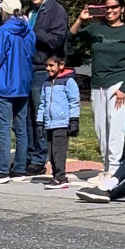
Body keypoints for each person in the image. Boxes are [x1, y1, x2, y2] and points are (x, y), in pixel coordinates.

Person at [69, 0, 125, 181]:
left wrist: (124, 88)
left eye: (114, 7)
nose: (110, 11)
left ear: (122, 9)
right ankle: (105, 167)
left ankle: (114, 169)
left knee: (115, 127)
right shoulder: (96, 28)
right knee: (101, 127)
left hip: (117, 84)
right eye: (107, 7)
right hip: (97, 84)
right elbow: (70, 38)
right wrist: (80, 20)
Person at [0, 0, 36, 183]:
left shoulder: (3, 31)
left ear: (4, 11)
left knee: (4, 128)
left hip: (5, 84)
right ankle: (20, 168)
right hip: (23, 84)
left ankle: (3, 169)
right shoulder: (29, 30)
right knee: (21, 127)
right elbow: (31, 55)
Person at [24, 0, 69, 176]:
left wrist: (32, 31)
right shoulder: (31, 11)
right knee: (27, 116)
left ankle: (39, 158)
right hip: (27, 68)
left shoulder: (56, 11)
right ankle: (29, 154)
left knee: (39, 115)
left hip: (43, 68)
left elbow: (57, 41)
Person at [36, 54, 80, 190]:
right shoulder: (46, 83)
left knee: (58, 151)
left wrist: (74, 120)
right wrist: (39, 121)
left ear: (60, 65)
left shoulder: (68, 82)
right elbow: (42, 103)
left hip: (61, 123)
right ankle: (56, 176)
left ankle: (61, 177)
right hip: (49, 123)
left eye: (51, 65)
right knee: (50, 151)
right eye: (47, 66)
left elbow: (74, 102)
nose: (48, 68)